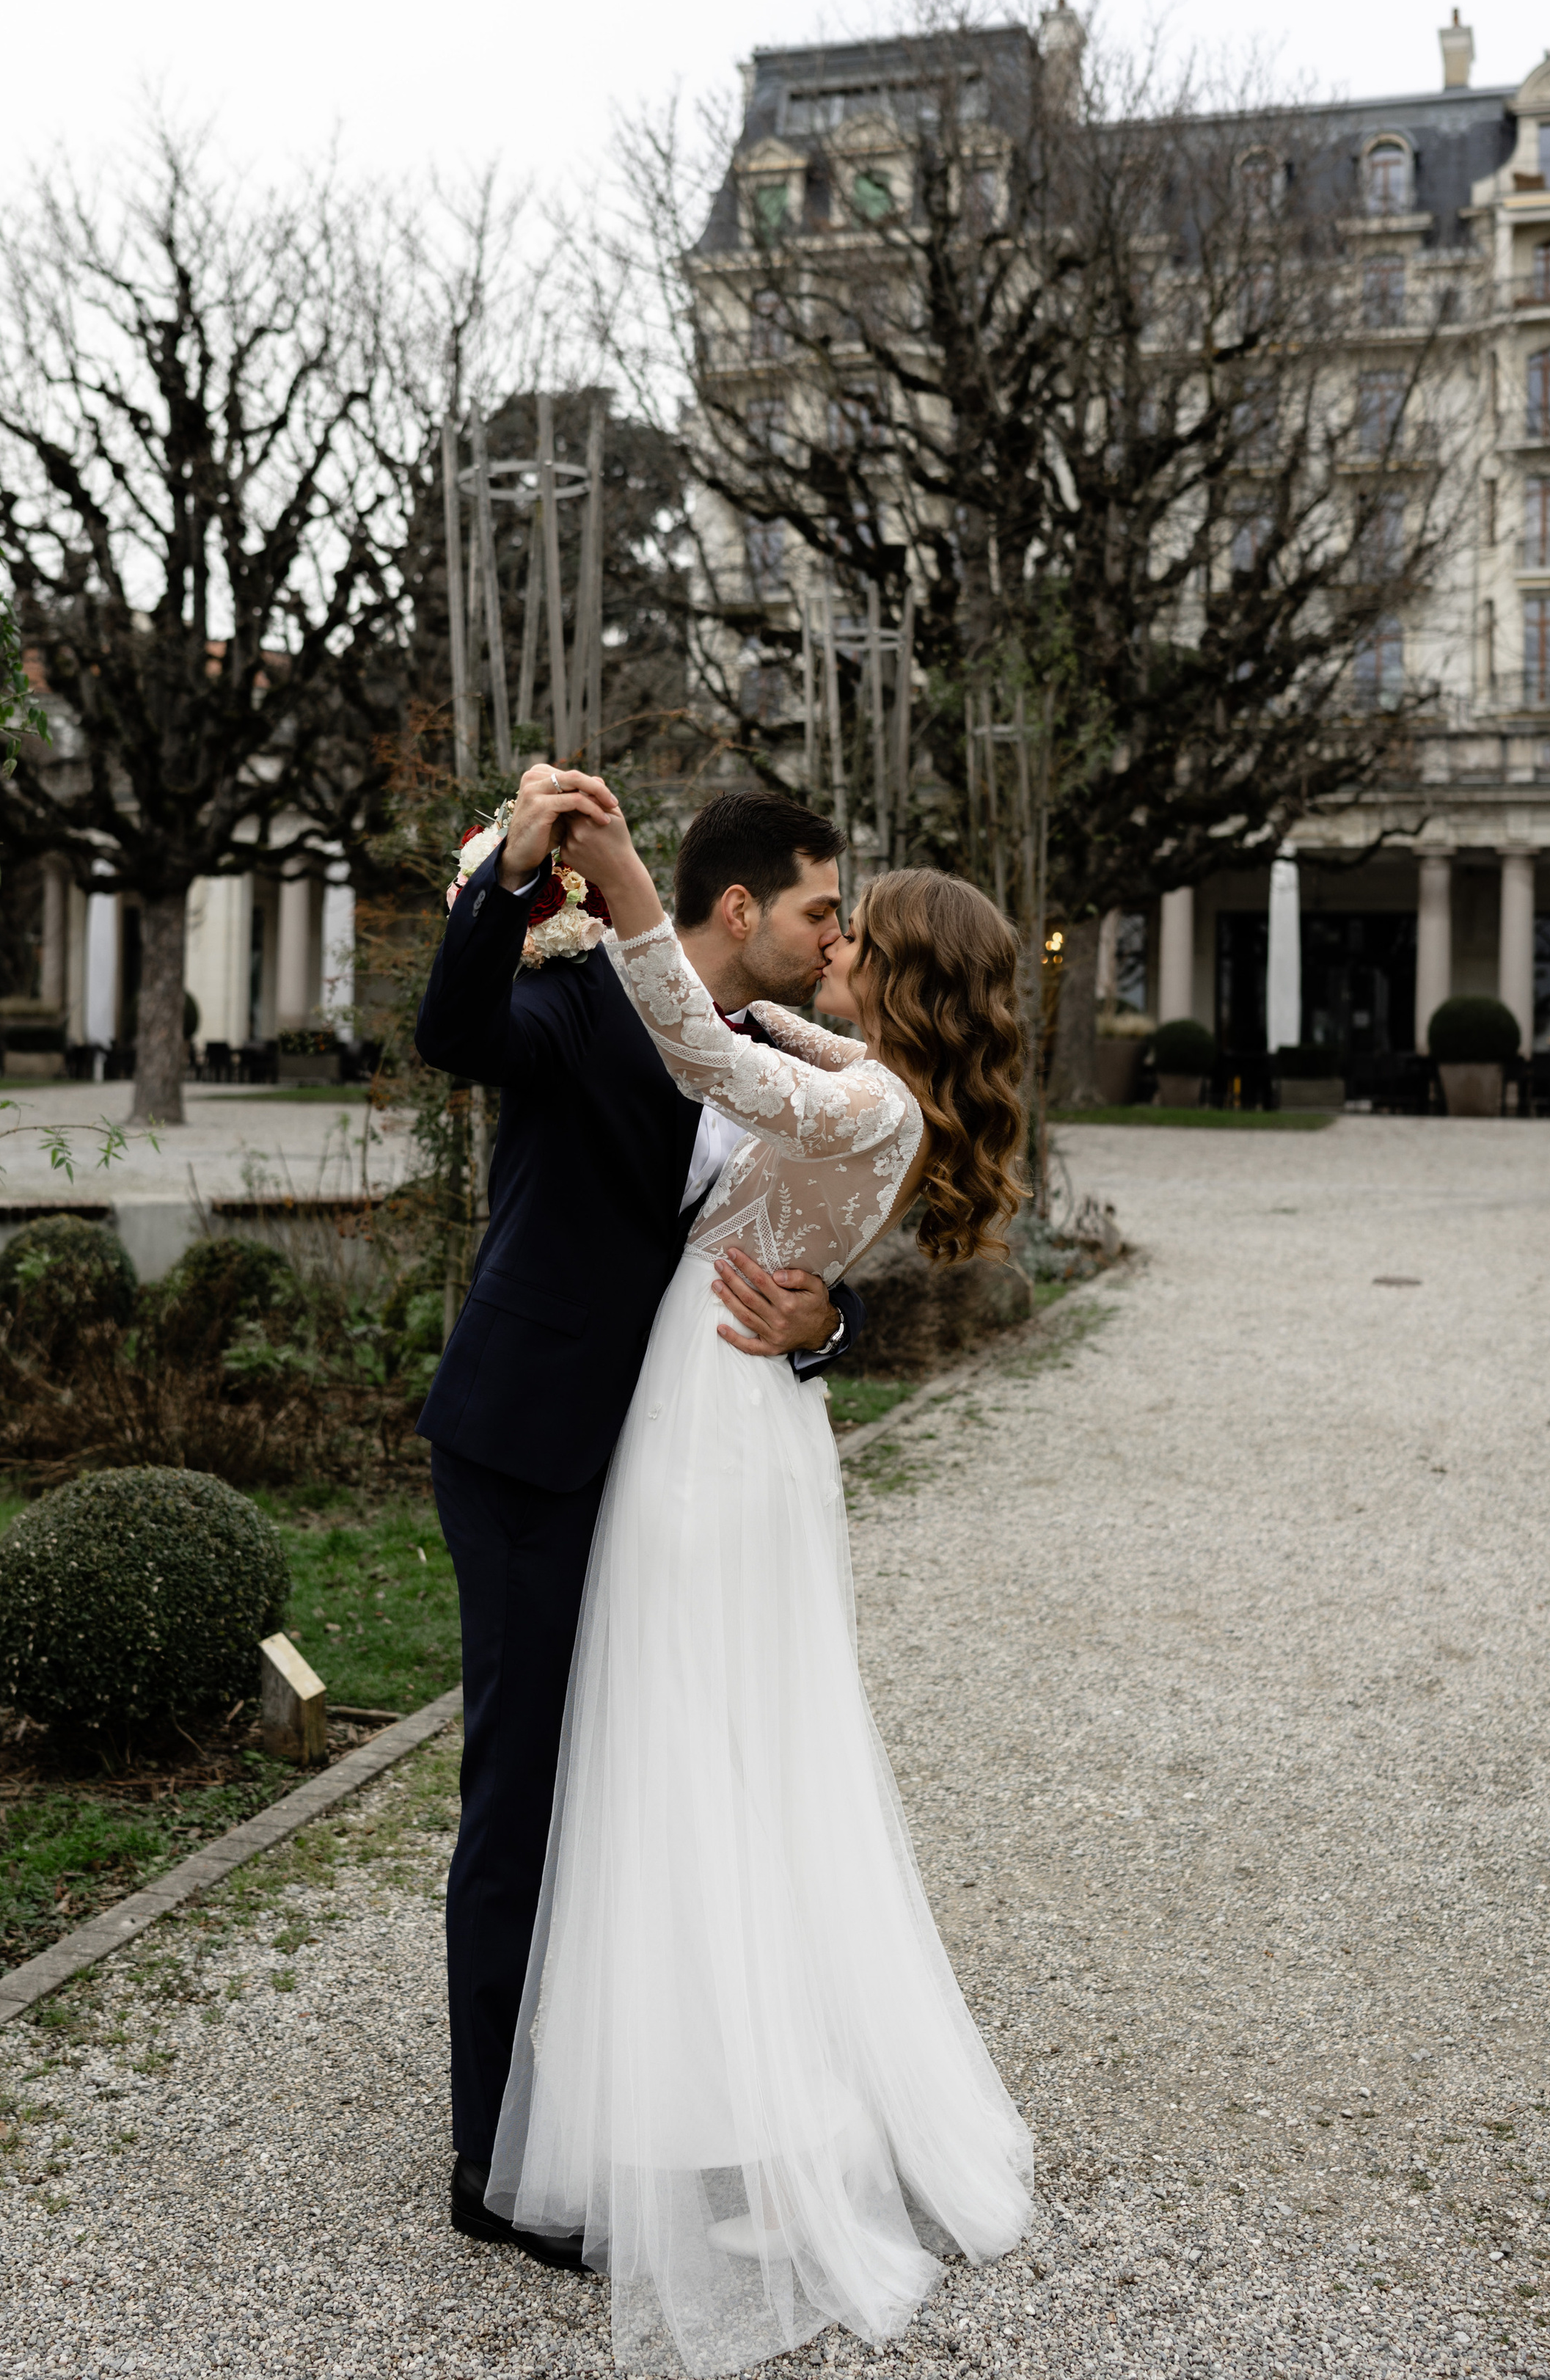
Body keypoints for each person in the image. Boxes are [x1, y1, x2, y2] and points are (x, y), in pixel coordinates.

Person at [486, 773, 1036, 2376]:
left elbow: (708, 1056)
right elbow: (778, 1049)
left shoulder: (868, 1103)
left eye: (852, 935)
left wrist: (628, 888)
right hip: (728, 1408)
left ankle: (750, 2113)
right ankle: (715, 2092)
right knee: (722, 1743)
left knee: (695, 1745)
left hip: (710, 1424)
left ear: (901, 971)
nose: (830, 946)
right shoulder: (871, 1078)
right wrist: (555, 936)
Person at [414, 777, 871, 2271]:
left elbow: (772, 1245)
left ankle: (634, 2095)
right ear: (738, 909)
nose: (832, 935)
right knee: (527, 1789)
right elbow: (450, 1039)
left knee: (650, 1789)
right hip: (534, 1447)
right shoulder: (582, 993)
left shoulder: (763, 1053)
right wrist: (516, 876)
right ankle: (497, 2157)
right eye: (816, 907)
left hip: (666, 1463)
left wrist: (823, 1318)